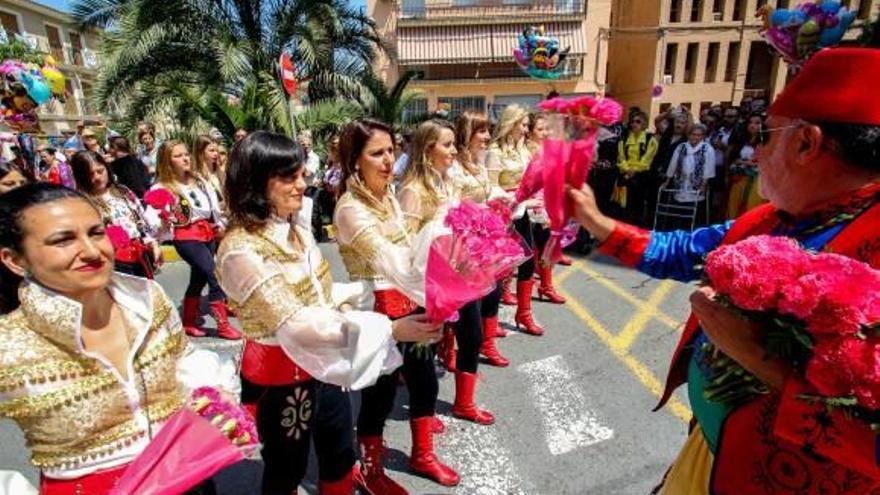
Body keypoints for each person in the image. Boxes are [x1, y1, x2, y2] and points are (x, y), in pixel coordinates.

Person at [567, 47, 880, 495]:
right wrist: (595, 221)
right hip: (715, 452)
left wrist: (760, 360)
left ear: (807, 143)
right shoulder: (774, 217)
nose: (754, 154)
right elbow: (680, 251)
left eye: (766, 137)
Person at [218, 131, 440, 495]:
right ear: (255, 181)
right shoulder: (241, 250)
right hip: (281, 378)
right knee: (285, 473)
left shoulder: (295, 230)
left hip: (323, 367)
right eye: (288, 177)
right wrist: (389, 329)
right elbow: (297, 324)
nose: (302, 185)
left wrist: (352, 296)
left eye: (302, 174)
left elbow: (317, 294)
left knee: (339, 456)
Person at [0, 183, 239, 494]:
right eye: (63, 240)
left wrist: (213, 395)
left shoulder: (146, 299)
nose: (90, 250)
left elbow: (184, 360)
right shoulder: (9, 343)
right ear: (15, 260)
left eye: (97, 232)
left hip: (189, 476)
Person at [334, 119, 459, 492]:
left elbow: (409, 250)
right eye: (377, 153)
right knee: (380, 394)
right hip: (377, 311)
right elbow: (392, 260)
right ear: (356, 160)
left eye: (391, 150)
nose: (389, 160)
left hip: (411, 302)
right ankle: (370, 470)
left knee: (423, 379)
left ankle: (423, 455)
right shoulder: (349, 208)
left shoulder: (389, 195)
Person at [150, 140, 240, 340]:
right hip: (186, 236)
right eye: (178, 156)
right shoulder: (162, 187)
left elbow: (213, 207)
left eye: (185, 154)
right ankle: (223, 326)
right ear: (167, 161)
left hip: (207, 232)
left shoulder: (198, 180)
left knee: (198, 280)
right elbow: (154, 221)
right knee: (215, 276)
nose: (185, 158)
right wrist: (163, 222)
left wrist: (219, 224)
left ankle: (188, 322)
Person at [447, 110, 510, 371]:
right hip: (463, 243)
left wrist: (501, 201)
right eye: (481, 131)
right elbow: (451, 207)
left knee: (494, 292)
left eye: (488, 130)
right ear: (467, 133)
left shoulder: (479, 162)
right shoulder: (454, 167)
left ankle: (487, 343)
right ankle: (449, 347)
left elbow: (485, 193)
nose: (487, 136)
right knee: (461, 304)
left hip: (485, 239)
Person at [486, 104, 547, 334]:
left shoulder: (523, 150)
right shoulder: (494, 151)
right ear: (510, 125)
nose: (525, 129)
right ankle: (489, 326)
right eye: (522, 125)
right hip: (501, 214)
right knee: (499, 268)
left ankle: (524, 314)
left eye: (526, 125)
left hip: (522, 212)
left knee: (528, 262)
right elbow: (491, 189)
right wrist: (519, 200)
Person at [70, 151, 162, 278]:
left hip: (140, 255)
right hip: (113, 263)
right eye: (90, 174)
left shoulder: (123, 191)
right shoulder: (82, 203)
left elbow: (142, 221)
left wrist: (153, 244)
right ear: (81, 177)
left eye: (100, 171)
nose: (97, 177)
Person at [661, 123, 715, 227]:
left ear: (703, 136)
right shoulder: (681, 147)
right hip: (681, 181)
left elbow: (709, 168)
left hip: (696, 184)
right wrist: (667, 180)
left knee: (693, 210)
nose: (695, 137)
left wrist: (704, 184)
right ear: (688, 135)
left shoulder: (707, 149)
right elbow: (673, 163)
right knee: (678, 209)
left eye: (699, 135)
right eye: (693, 134)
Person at [613, 108, 658, 227]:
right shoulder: (624, 139)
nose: (634, 124)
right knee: (623, 205)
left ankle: (637, 228)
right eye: (633, 121)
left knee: (638, 205)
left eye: (638, 121)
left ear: (644, 124)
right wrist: (627, 169)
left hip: (641, 176)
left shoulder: (650, 140)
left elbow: (647, 160)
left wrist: (634, 171)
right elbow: (621, 157)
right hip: (625, 175)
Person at [726, 111, 766, 218]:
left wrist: (742, 162)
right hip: (740, 178)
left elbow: (761, 162)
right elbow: (733, 157)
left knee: (751, 206)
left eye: (757, 123)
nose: (753, 125)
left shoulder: (766, 142)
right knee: (734, 205)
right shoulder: (742, 140)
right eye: (751, 123)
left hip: (756, 179)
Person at [192, 135, 225, 204]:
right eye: (211, 151)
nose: (216, 154)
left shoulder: (221, 173)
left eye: (216, 150)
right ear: (200, 152)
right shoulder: (196, 176)